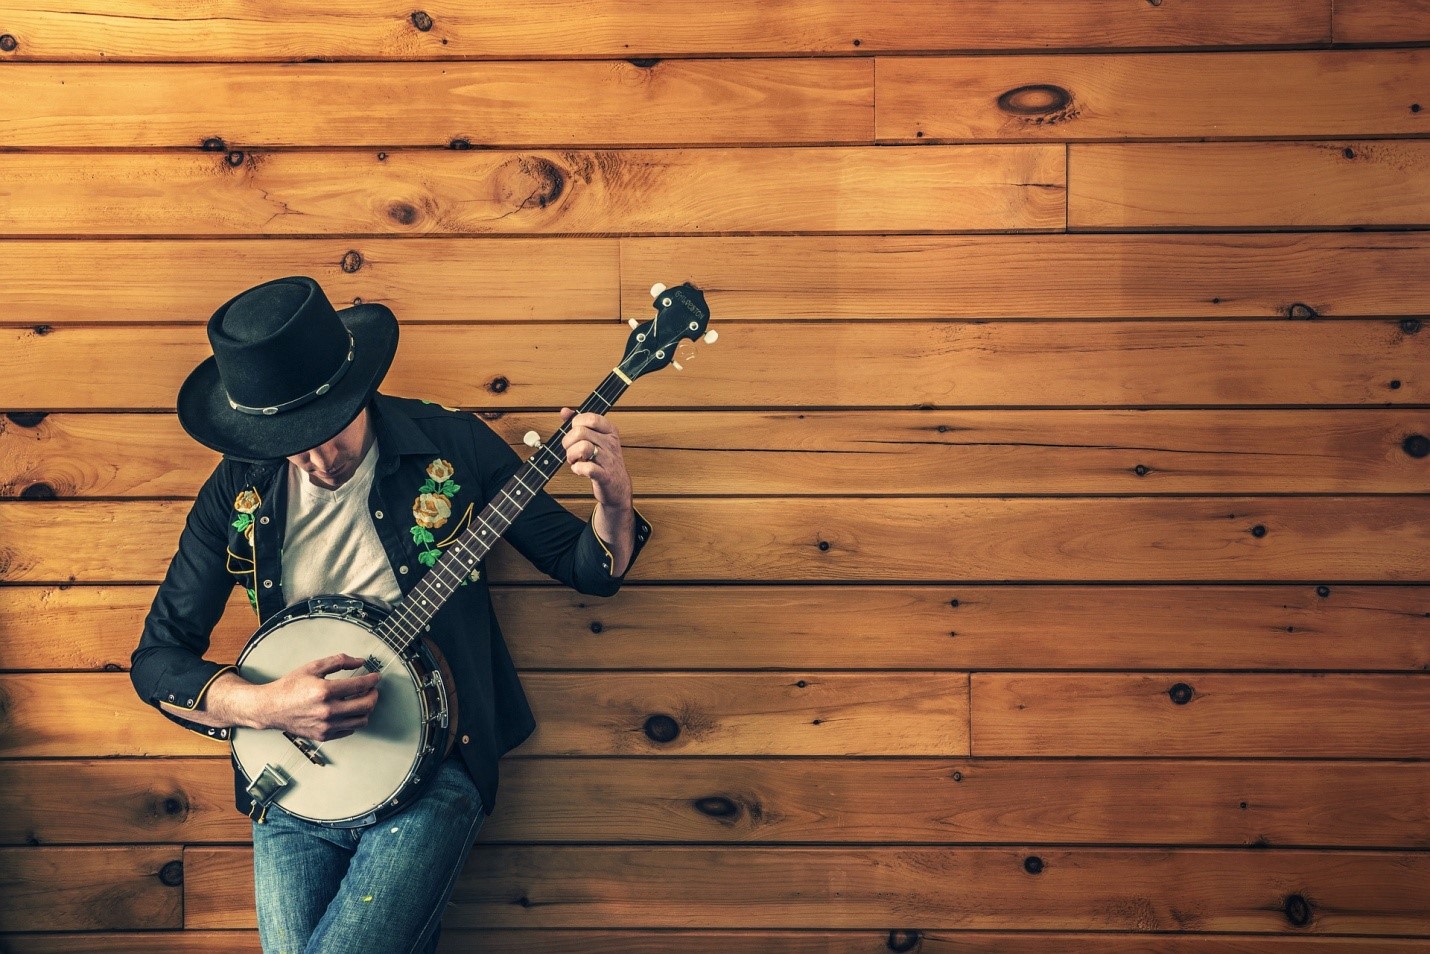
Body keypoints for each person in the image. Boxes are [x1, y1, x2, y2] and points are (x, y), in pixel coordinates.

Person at [129, 275, 652, 953]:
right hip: (292, 785)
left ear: (357, 390)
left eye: (325, 431)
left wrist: (613, 494)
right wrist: (266, 707)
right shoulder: (238, 487)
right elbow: (157, 660)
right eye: (290, 441)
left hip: (436, 769)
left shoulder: (452, 445)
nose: (315, 459)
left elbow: (588, 569)